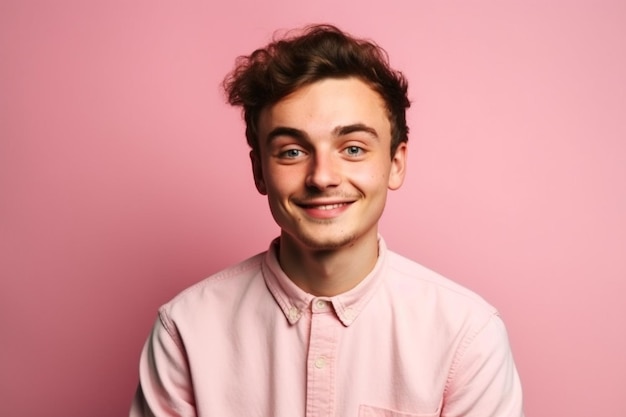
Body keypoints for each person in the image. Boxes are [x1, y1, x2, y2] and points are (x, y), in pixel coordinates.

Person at [129, 24, 524, 417]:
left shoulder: (467, 336)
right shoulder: (184, 331)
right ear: (259, 172)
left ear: (396, 164)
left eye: (352, 148)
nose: (322, 176)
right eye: (292, 152)